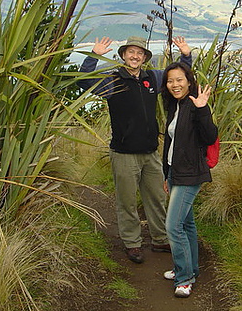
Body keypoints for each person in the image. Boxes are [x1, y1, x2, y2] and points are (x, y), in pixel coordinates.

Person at [77, 35, 192, 264]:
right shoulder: (113, 80)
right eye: (131, 52)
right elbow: (83, 81)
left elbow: (178, 78)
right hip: (124, 153)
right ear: (123, 55)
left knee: (157, 197)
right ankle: (132, 243)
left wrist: (186, 55)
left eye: (139, 53)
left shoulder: (152, 77)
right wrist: (93, 57)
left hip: (150, 152)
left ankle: (160, 238)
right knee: (127, 201)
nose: (135, 56)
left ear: (144, 57)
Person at [160, 62, 217, 298]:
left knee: (173, 227)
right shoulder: (176, 105)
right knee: (186, 224)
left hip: (190, 174)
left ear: (189, 81)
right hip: (175, 172)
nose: (175, 84)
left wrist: (203, 109)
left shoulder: (194, 105)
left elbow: (210, 135)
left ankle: (184, 278)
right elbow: (171, 144)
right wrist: (166, 174)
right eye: (170, 80)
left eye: (179, 80)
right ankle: (189, 267)